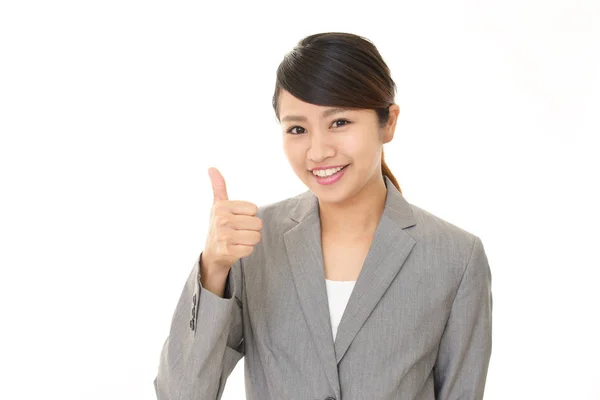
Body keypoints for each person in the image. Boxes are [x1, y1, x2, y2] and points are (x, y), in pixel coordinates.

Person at [154, 32, 492, 400]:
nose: (318, 151)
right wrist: (214, 268)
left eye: (340, 122)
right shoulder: (252, 245)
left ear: (388, 122)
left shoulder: (456, 257)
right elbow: (180, 394)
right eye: (298, 129)